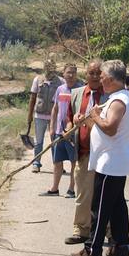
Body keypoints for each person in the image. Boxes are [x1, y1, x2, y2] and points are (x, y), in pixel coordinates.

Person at [70, 60, 129, 256]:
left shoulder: (118, 101)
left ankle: (92, 249)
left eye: (103, 76)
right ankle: (120, 246)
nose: (100, 79)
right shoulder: (117, 98)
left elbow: (109, 127)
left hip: (111, 163)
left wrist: (96, 116)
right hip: (113, 161)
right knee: (117, 207)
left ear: (113, 78)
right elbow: (102, 127)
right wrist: (87, 120)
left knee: (99, 208)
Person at [65, 61, 104, 245]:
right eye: (91, 73)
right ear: (86, 75)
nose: (95, 76)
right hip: (84, 153)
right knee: (82, 194)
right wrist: (70, 125)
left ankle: (107, 232)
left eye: (98, 73)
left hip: (105, 154)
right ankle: (81, 230)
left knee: (105, 196)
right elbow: (69, 118)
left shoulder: (110, 95)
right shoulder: (77, 94)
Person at [43, 63, 78, 198]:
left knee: (74, 162)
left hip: (73, 133)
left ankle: (71, 189)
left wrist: (72, 129)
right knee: (57, 161)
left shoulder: (80, 89)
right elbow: (55, 109)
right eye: (68, 72)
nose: (70, 75)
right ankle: (54, 188)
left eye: (73, 72)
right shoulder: (60, 89)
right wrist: (52, 127)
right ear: (63, 74)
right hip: (59, 131)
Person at [26, 60, 62, 173]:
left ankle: (57, 165)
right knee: (39, 141)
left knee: (55, 141)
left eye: (52, 66)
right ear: (44, 67)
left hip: (54, 116)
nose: (50, 68)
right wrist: (29, 115)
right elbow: (32, 98)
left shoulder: (60, 82)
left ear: (55, 67)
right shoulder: (38, 79)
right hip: (39, 115)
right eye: (48, 66)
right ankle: (36, 163)